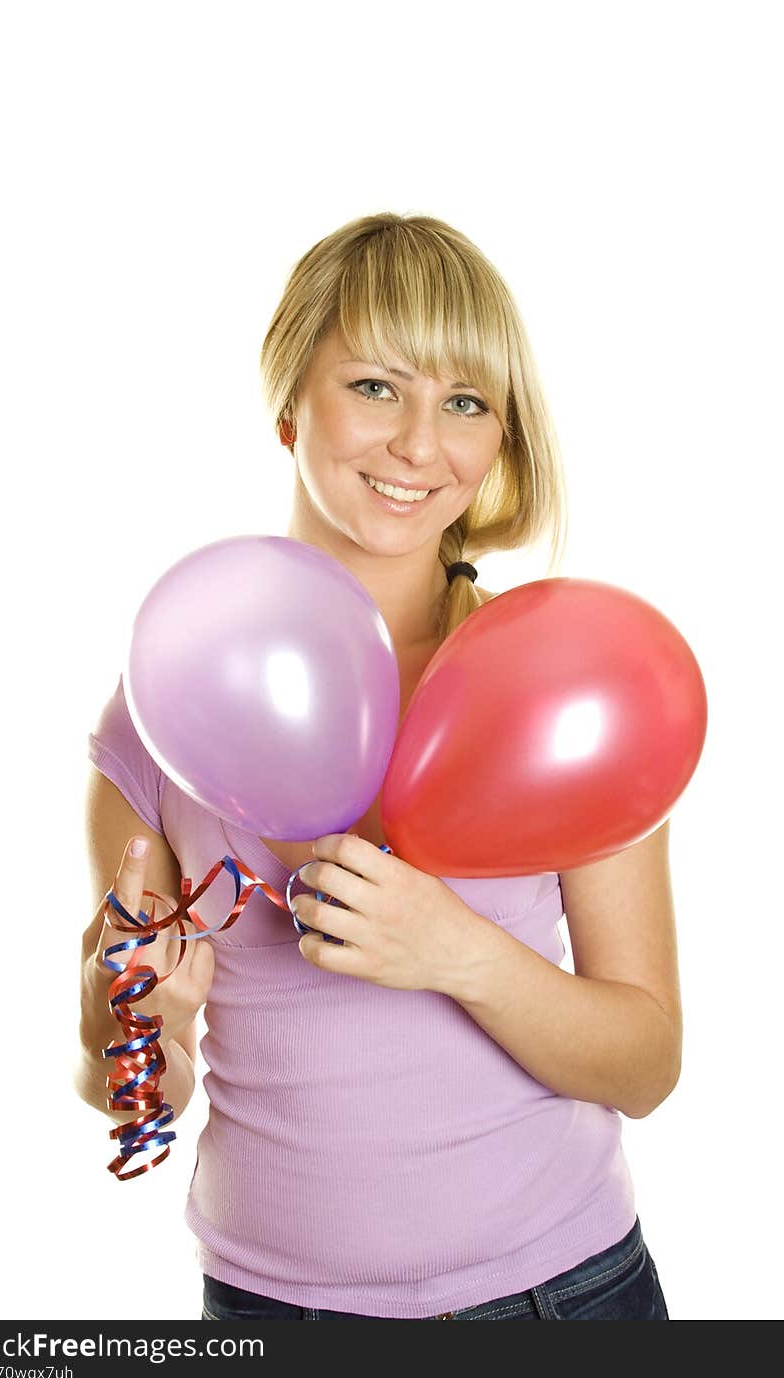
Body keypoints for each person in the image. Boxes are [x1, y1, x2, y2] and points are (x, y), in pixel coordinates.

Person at [76, 212, 679, 1321]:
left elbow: (644, 1065)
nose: (417, 445)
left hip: (567, 1299)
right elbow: (133, 1091)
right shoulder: (165, 707)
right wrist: (123, 1018)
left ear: (500, 440)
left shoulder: (565, 702)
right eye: (375, 385)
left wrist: (456, 952)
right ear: (287, 401)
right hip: (275, 1313)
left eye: (464, 403)